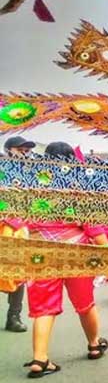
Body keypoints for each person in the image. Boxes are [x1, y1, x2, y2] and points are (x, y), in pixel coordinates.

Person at [23, 142, 108, 378]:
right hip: (76, 256)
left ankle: (39, 359)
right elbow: (93, 226)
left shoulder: (32, 187)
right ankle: (94, 344)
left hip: (41, 254)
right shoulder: (76, 188)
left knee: (43, 308)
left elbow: (22, 222)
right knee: (85, 304)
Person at [2, 136, 35, 333]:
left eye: (26, 149)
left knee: (19, 271)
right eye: (20, 149)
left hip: (18, 227)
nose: (24, 152)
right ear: (8, 150)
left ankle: (13, 316)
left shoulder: (29, 173)